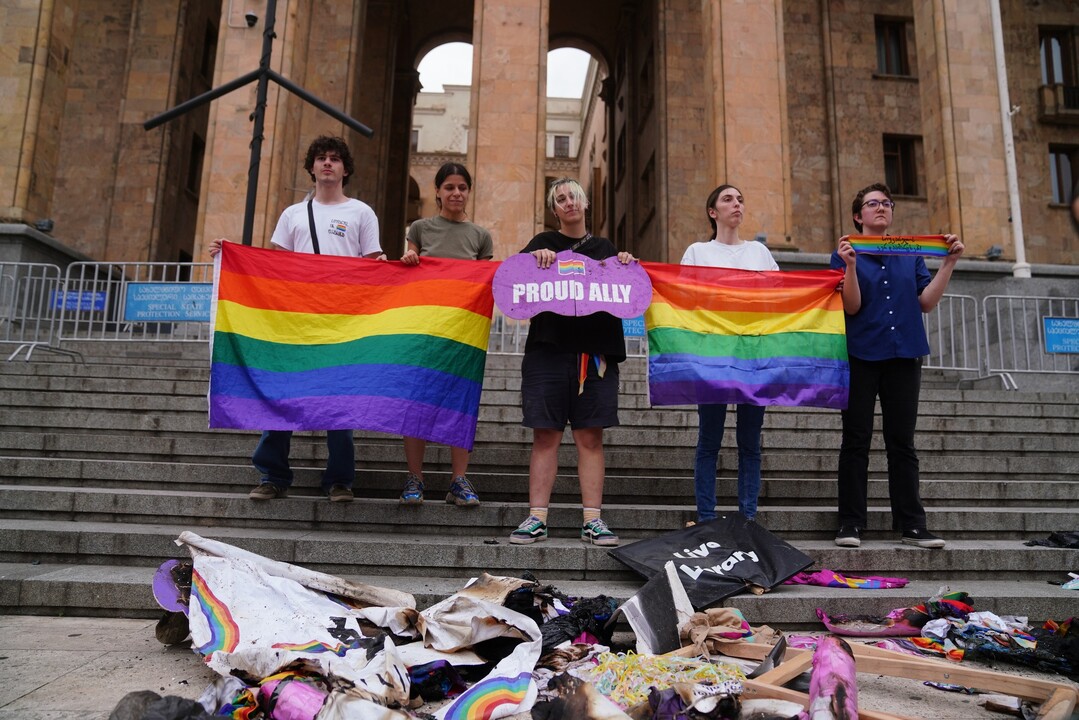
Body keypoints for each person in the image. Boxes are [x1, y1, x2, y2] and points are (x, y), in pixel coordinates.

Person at [209, 135, 385, 503]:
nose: (327, 164)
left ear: (345, 169)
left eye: (334, 159)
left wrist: (397, 271)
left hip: (343, 323)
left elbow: (374, 265)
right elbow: (274, 268)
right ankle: (272, 476)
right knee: (281, 394)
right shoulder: (292, 214)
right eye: (320, 158)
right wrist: (231, 255)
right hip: (295, 322)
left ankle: (339, 480)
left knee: (340, 401)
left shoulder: (361, 213)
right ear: (311, 167)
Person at [830, 182, 963, 548]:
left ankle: (913, 526)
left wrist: (948, 263)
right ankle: (851, 524)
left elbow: (926, 302)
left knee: (901, 442)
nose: (881, 208)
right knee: (856, 440)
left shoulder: (910, 254)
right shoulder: (845, 250)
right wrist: (851, 267)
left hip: (904, 354)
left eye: (887, 203)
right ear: (859, 216)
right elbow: (851, 306)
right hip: (859, 354)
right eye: (872, 203)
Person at [509, 178, 637, 547]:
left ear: (585, 203)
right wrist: (533, 262)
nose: (569, 203)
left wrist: (625, 265)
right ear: (554, 210)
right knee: (545, 436)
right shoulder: (540, 244)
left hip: (594, 354)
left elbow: (626, 293)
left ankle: (593, 521)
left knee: (590, 437)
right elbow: (514, 282)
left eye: (574, 197)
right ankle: (536, 517)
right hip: (547, 351)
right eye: (561, 199)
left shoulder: (605, 248)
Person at [397, 162, 493, 507]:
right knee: (415, 404)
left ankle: (459, 480)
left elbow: (484, 283)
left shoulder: (480, 236)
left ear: (468, 192)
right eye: (449, 187)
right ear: (437, 191)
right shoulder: (420, 228)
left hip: (463, 334)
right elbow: (408, 264)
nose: (456, 193)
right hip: (423, 330)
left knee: (461, 404)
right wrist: (409, 258)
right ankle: (415, 478)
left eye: (462, 187)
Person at [681, 184, 778, 523]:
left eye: (740, 199)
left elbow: (780, 297)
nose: (736, 204)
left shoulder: (759, 252)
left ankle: (747, 518)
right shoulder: (696, 252)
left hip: (753, 355)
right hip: (713, 356)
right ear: (713, 212)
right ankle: (706, 517)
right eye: (728, 199)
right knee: (710, 438)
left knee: (750, 442)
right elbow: (685, 299)